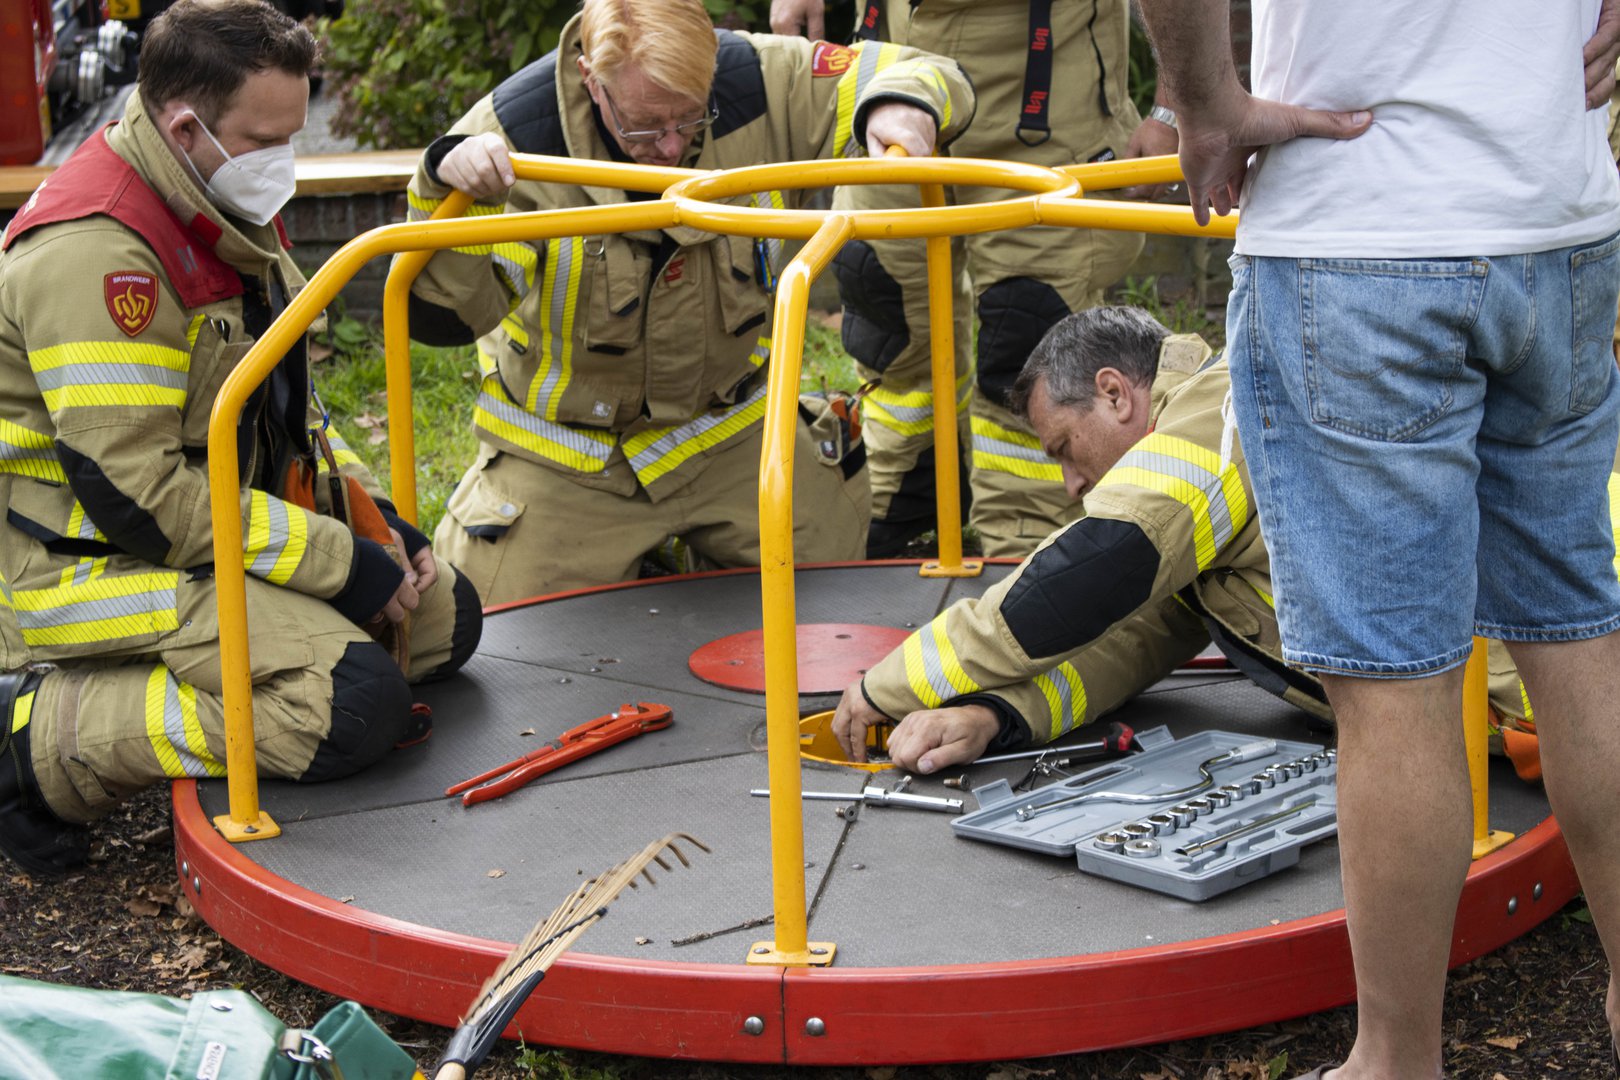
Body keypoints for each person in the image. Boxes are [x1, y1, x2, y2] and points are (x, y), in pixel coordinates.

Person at [1136, 3, 1620, 1078]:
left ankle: (1396, 1062)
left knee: (1394, 687)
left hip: (1362, 231)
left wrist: (1202, 97)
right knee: (1579, 640)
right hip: (1557, 218)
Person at [0, 0, 483, 877]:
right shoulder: (97, 255)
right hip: (77, 570)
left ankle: (253, 650)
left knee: (445, 622)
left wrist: (372, 526)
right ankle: (33, 742)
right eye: (269, 140)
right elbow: (138, 498)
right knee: (349, 703)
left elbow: (286, 413)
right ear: (186, 126)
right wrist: (336, 563)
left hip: (196, 531)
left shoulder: (214, 199)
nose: (286, 163)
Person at [408, 0, 975, 605]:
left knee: (835, 605)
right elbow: (446, 316)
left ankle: (676, 553)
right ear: (590, 80)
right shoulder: (511, 139)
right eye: (647, 127)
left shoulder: (754, 78)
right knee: (497, 638)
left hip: (732, 436)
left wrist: (898, 105)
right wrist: (450, 193)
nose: (673, 147)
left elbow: (925, 68)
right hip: (572, 461)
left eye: (691, 117)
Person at [833, 305, 1331, 770]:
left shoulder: (1222, 412)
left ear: (1113, 393)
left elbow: (1086, 574)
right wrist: (992, 715)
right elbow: (1131, 640)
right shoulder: (1191, 515)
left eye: (1066, 447)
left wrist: (885, 687)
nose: (1072, 485)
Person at [772, 0, 1178, 558]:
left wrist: (1175, 108)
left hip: (1044, 92)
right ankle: (912, 490)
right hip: (898, 69)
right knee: (886, 308)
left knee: (1030, 340)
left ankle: (1029, 541)